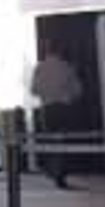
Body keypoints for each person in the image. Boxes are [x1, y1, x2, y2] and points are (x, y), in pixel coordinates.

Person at [30, 43, 83, 188]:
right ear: (60, 51)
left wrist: (46, 93)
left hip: (47, 109)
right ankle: (60, 174)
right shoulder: (66, 67)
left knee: (50, 141)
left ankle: (52, 170)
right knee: (62, 142)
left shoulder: (39, 68)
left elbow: (34, 90)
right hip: (63, 109)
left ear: (47, 51)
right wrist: (66, 95)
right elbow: (78, 91)